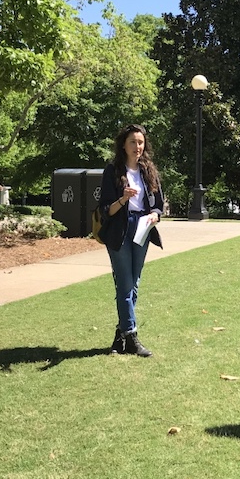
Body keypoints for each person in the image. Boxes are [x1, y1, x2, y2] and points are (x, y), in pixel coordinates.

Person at [99, 124, 164, 357]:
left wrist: (156, 213)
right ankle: (132, 337)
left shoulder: (149, 171)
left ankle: (120, 335)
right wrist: (123, 199)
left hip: (143, 229)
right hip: (119, 230)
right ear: (123, 146)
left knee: (133, 284)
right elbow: (105, 209)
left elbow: (158, 202)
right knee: (125, 285)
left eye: (140, 142)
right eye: (132, 142)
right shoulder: (113, 171)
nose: (137, 147)